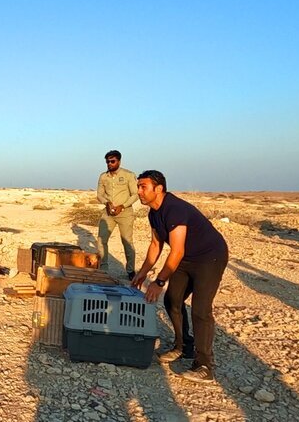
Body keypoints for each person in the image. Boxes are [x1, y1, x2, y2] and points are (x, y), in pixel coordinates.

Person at [131, 170, 228, 383]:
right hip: (186, 258)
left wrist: (159, 281)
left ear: (158, 188)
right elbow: (156, 245)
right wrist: (142, 273)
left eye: (143, 186)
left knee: (201, 310)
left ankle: (205, 365)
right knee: (172, 300)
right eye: (138, 186)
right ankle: (183, 346)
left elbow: (176, 251)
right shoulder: (153, 213)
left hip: (209, 257)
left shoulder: (174, 209)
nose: (139, 191)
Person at [96, 150, 138, 279]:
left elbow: (135, 194)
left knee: (127, 241)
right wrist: (106, 203)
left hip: (125, 213)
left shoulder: (129, 175)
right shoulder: (103, 177)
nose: (110, 164)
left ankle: (130, 270)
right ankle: (103, 269)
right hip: (108, 213)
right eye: (108, 161)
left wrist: (122, 206)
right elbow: (99, 195)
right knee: (101, 239)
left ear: (119, 161)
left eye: (112, 161)